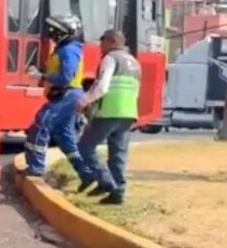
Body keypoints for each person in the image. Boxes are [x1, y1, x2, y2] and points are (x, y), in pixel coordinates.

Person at [75, 29, 142, 205]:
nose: (100, 46)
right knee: (118, 154)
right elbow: (136, 91)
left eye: (102, 42)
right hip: (128, 113)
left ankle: (105, 182)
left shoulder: (110, 58)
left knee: (85, 146)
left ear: (112, 41)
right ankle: (118, 193)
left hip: (109, 111)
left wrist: (83, 101)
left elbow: (102, 86)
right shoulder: (134, 62)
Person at [24, 14, 90, 178]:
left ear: (64, 32)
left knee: (41, 125)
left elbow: (66, 77)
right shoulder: (65, 49)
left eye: (54, 30)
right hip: (67, 95)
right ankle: (87, 174)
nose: (51, 33)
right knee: (65, 136)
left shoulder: (69, 50)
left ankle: (36, 167)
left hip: (66, 95)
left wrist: (42, 76)